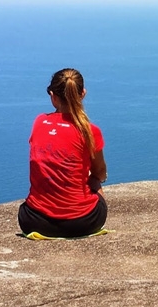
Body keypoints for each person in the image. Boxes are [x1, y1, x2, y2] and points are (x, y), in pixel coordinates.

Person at [18, 68, 108, 238]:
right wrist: (93, 178)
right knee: (93, 178)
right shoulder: (90, 131)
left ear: (52, 96)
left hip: (33, 221)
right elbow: (100, 172)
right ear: (83, 93)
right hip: (82, 222)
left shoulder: (39, 122)